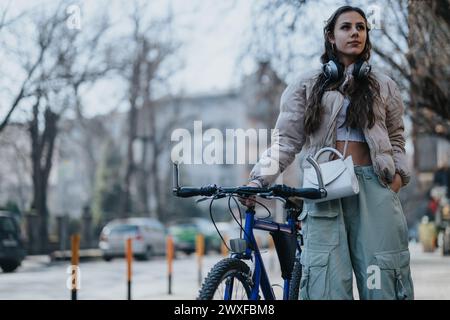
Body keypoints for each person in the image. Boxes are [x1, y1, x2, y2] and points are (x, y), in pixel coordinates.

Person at [240, 6, 414, 300]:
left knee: (382, 277)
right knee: (327, 282)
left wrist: (397, 178)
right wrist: (259, 180)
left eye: (361, 27)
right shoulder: (306, 84)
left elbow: (397, 138)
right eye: (346, 27)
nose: (355, 32)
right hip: (323, 190)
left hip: (374, 189)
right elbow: (285, 141)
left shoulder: (384, 85)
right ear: (331, 37)